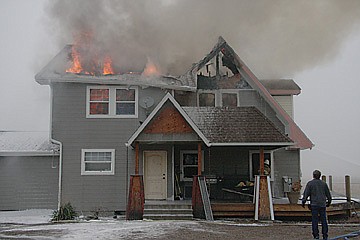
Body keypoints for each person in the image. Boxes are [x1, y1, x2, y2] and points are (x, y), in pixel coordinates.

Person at [302, 170, 332, 240]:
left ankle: (316, 235)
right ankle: (325, 235)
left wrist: (303, 202)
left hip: (314, 204)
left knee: (314, 220)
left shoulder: (310, 184)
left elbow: (306, 194)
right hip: (322, 204)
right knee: (324, 220)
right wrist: (329, 202)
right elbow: (328, 194)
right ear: (320, 176)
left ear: (313, 175)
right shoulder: (324, 184)